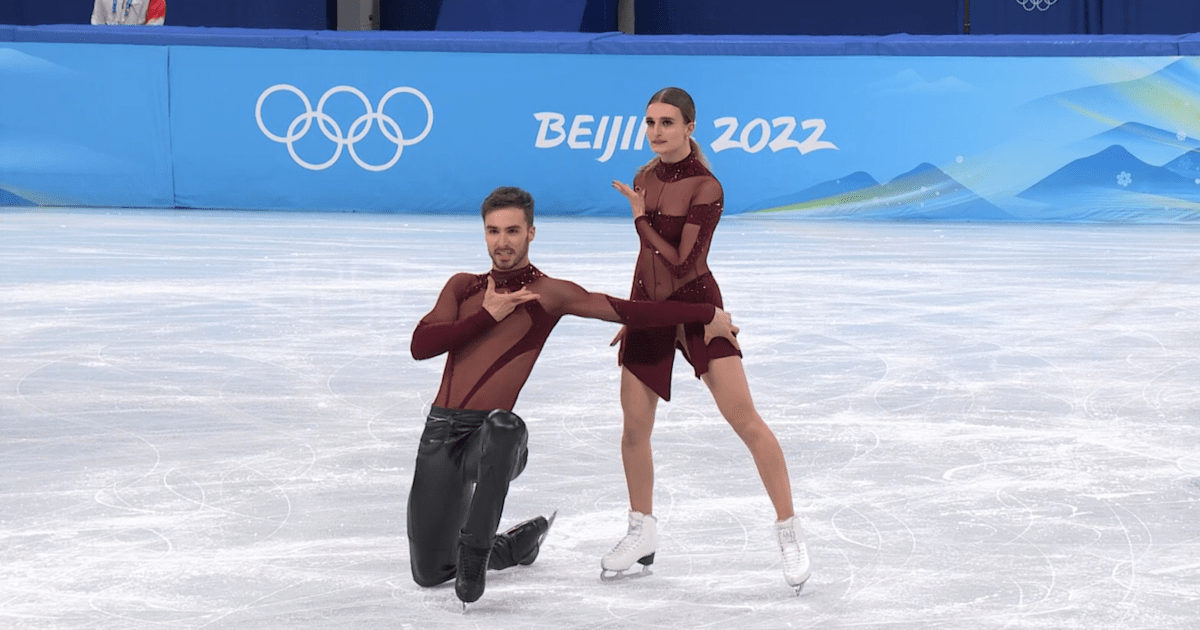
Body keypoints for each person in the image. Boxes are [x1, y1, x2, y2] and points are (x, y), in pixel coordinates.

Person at [408, 186, 740, 608]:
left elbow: (629, 311)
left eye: (513, 231)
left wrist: (704, 312)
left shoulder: (548, 294)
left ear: (531, 233)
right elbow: (421, 346)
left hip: (492, 441)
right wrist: (486, 315)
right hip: (440, 434)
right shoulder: (463, 287)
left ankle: (475, 556)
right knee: (430, 574)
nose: (502, 242)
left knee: (505, 426)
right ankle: (516, 544)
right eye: (493, 231)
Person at [603, 87, 811, 594]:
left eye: (667, 123)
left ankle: (789, 530)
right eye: (650, 121)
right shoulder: (644, 178)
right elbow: (648, 263)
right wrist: (633, 314)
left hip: (702, 312)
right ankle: (642, 530)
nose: (656, 131)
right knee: (634, 428)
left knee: (746, 420)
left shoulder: (706, 186)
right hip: (651, 309)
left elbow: (681, 261)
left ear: (690, 128)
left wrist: (638, 217)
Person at [91, 0, 166, 26]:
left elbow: (153, 34)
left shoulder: (157, 1)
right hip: (108, 48)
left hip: (138, 49)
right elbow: (97, 23)